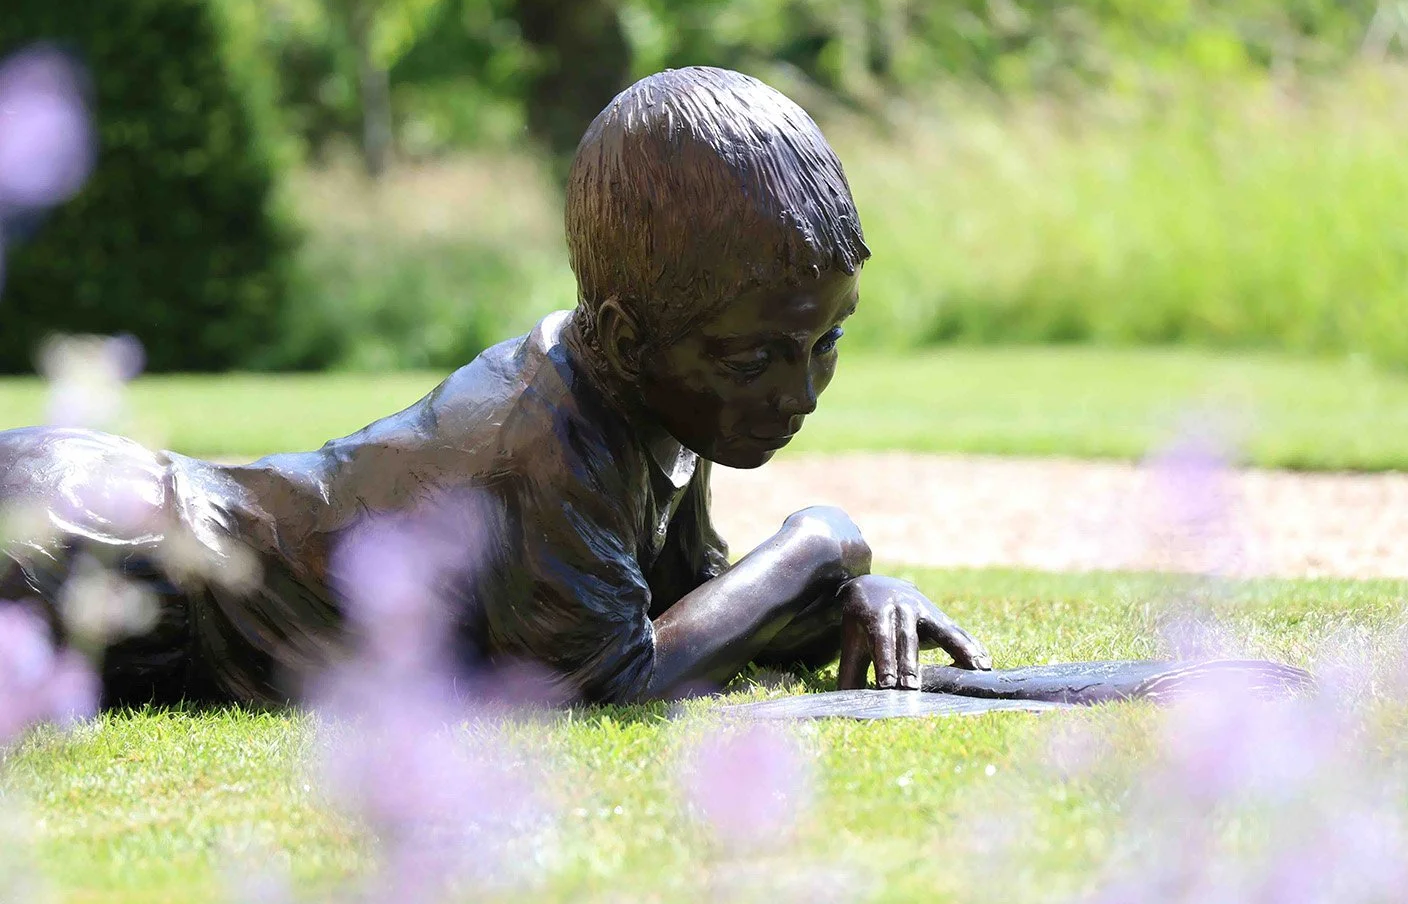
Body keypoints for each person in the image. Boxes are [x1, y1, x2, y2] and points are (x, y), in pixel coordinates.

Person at [0, 66, 992, 708]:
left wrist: (852, 595)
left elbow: (687, 600)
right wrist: (818, 539)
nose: (801, 388)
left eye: (826, 343)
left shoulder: (648, 407)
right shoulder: (543, 433)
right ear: (624, 334)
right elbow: (618, 679)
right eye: (754, 360)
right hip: (115, 540)